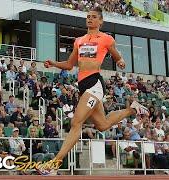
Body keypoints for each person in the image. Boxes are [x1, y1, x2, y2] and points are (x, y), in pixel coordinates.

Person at [39, 7, 149, 175]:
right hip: (83, 85)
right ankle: (133, 109)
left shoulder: (106, 39)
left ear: (100, 21)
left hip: (95, 84)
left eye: (93, 17)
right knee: (103, 125)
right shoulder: (79, 40)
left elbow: (116, 55)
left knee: (76, 123)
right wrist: (53, 63)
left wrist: (120, 61)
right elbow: (69, 65)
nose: (89, 19)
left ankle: (54, 165)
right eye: (88, 17)